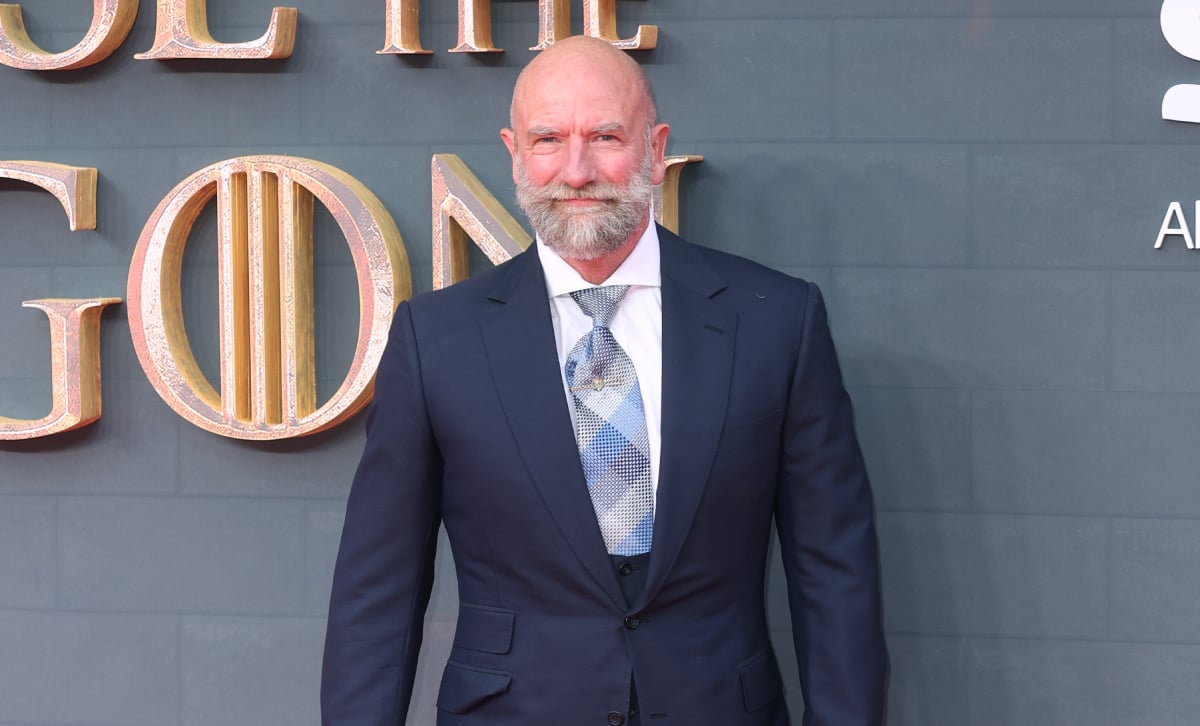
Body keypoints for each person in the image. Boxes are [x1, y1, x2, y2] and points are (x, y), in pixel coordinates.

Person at [321, 35, 887, 726]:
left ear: (655, 149)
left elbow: (835, 573)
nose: (577, 170)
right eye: (549, 139)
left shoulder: (776, 321)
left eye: (606, 136)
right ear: (515, 154)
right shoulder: (435, 339)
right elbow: (379, 588)